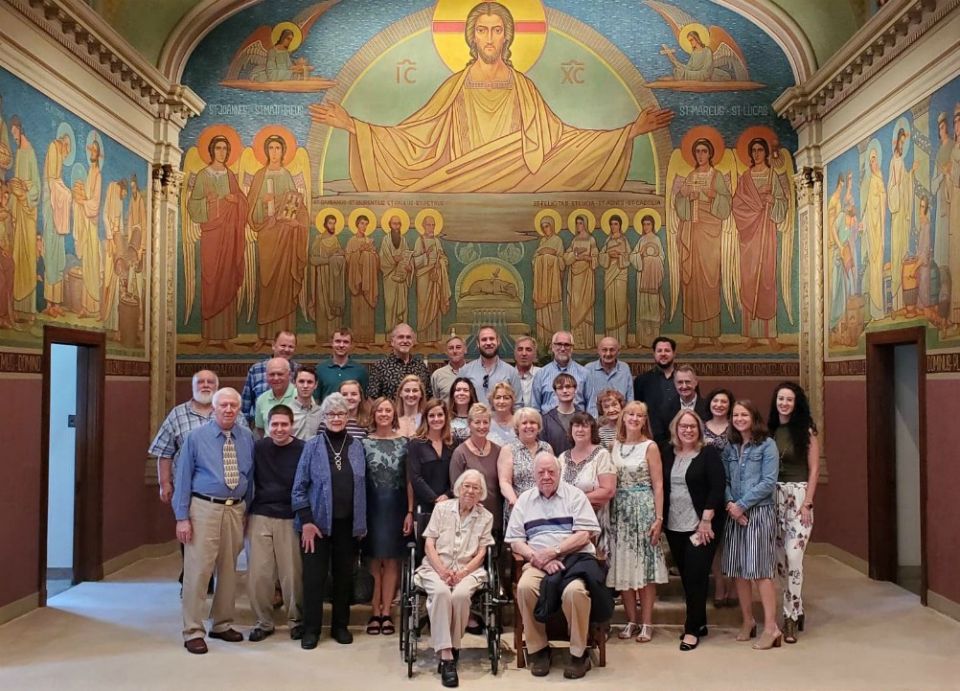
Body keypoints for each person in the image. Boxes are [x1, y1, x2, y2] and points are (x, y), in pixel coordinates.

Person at [308, 1, 673, 194]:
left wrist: (629, 132)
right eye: (481, 30)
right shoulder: (456, 85)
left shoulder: (524, 86)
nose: (488, 38)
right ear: (471, 37)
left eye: (496, 31)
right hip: (457, 177)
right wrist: (352, 126)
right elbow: (416, 135)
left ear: (507, 37)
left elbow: (559, 139)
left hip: (518, 171)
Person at [506, 452, 605, 680]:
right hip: (537, 563)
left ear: (559, 473)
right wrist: (536, 557)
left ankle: (579, 654)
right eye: (541, 472)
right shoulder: (525, 500)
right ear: (534, 475)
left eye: (551, 471)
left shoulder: (575, 496)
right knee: (524, 587)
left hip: (573, 561)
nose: (546, 476)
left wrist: (555, 552)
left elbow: (584, 534)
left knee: (575, 592)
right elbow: (515, 540)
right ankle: (539, 650)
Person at [173, 388, 254, 654]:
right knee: (198, 570)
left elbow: (250, 477)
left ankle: (221, 623)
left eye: (233, 405)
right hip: (203, 508)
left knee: (229, 568)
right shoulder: (196, 438)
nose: (229, 409)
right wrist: (182, 517)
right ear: (214, 408)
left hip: (235, 510)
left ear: (239, 409)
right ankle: (193, 630)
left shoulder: (247, 437)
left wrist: (247, 511)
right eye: (224, 405)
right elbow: (183, 478)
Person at [291, 393, 367, 649]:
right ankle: (311, 629)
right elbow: (299, 488)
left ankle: (340, 626)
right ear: (323, 418)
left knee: (344, 577)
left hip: (348, 526)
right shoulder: (311, 446)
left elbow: (363, 487)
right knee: (314, 579)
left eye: (341, 414)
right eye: (331, 414)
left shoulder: (357, 447)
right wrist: (307, 521)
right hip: (317, 527)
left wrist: (361, 524)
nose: (336, 418)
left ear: (348, 417)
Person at [148, 370, 230, 589]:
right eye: (200, 382)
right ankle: (193, 578)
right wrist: (165, 483)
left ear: (217, 386)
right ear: (193, 387)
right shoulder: (177, 414)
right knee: (189, 534)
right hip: (188, 488)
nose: (205, 385)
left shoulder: (229, 410)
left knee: (219, 540)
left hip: (221, 490)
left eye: (210, 382)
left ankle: (214, 578)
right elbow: (164, 451)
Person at [415, 470, 495, 688]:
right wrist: (442, 570)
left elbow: (481, 552)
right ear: (459, 488)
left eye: (475, 488)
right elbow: (429, 543)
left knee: (460, 595)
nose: (470, 491)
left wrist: (462, 572)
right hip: (435, 567)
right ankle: (448, 655)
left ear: (481, 494)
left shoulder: (486, 517)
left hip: (468, 570)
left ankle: (450, 646)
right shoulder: (441, 509)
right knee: (440, 593)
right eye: (467, 486)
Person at [662, 410, 726, 651]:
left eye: (692, 426)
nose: (687, 430)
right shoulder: (667, 452)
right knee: (688, 577)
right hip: (674, 526)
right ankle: (700, 622)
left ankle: (690, 630)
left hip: (702, 526)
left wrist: (707, 519)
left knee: (697, 576)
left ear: (699, 429)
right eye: (683, 426)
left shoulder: (708, 453)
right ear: (675, 429)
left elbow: (717, 487)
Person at [722, 400, 781, 650]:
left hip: (759, 512)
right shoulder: (730, 446)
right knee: (738, 570)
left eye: (744, 414)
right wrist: (731, 505)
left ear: (753, 417)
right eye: (735, 415)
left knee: (760, 571)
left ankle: (771, 628)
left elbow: (769, 482)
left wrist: (742, 506)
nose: (739, 418)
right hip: (734, 513)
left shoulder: (767, 445)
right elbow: (723, 478)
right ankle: (748, 621)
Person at [607, 400, 668, 643]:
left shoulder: (650, 446)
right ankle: (631, 620)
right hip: (619, 511)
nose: (634, 418)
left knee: (644, 568)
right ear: (623, 417)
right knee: (623, 566)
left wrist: (659, 517)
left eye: (639, 415)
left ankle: (646, 623)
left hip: (643, 509)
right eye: (630, 414)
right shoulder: (614, 445)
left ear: (644, 420)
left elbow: (659, 484)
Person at [246, 405, 305, 642]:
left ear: (292, 425)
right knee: (259, 573)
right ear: (268, 426)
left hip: (290, 516)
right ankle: (263, 621)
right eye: (275, 425)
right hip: (260, 514)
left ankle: (296, 620)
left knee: (292, 574)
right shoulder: (258, 448)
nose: (279, 429)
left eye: (284, 424)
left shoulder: (303, 449)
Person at [768, 382, 820, 643]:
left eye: (789, 399)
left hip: (799, 496)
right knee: (780, 561)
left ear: (796, 402)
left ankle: (789, 617)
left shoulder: (806, 430)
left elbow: (813, 470)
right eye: (780, 399)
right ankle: (798, 609)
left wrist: (808, 502)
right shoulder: (770, 430)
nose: (784, 403)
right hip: (774, 496)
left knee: (794, 555)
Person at [246, 134, 309, 344]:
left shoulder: (287, 175)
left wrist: (296, 223)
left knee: (284, 282)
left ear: (283, 151)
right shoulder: (259, 176)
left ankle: (286, 336)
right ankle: (264, 336)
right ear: (266, 151)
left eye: (278, 148)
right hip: (267, 237)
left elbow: (297, 207)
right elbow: (250, 212)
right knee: (267, 283)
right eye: (271, 148)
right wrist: (264, 204)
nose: (274, 152)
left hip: (286, 239)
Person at [673, 137, 733, 345]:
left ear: (710, 154)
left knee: (710, 280)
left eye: (704, 151)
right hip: (693, 231)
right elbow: (679, 202)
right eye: (697, 151)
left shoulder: (716, 176)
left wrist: (712, 194)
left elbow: (726, 203)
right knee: (693, 282)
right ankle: (695, 335)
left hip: (711, 232)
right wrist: (684, 194)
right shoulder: (691, 176)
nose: (700, 155)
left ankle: (713, 334)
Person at [362, 396, 413, 637]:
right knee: (373, 560)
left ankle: (387, 613)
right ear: (374, 414)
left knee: (392, 560)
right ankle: (374, 611)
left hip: (396, 506)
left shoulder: (405, 443)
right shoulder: (362, 443)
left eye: (388, 410)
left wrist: (410, 511)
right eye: (380, 410)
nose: (384, 414)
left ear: (394, 414)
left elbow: (409, 480)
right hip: (371, 506)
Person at [731, 137, 790, 344]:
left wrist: (773, 201)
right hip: (749, 235)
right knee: (749, 279)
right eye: (753, 150)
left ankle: (769, 335)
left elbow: (783, 203)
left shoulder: (773, 176)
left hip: (767, 232)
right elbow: (736, 203)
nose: (756, 153)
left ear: (766, 152)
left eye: (759, 149)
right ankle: (751, 335)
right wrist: (755, 207)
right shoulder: (745, 177)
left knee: (766, 279)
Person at [557, 412, 616, 557]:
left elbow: (608, 491)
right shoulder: (562, 458)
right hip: (566, 522)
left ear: (592, 430)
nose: (580, 430)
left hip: (594, 523)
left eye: (585, 426)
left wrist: (574, 501)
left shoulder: (602, 455)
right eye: (576, 426)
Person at [703, 388, 736, 607]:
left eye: (724, 401)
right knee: (714, 542)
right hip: (708, 488)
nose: (719, 405)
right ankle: (719, 585)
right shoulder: (701, 428)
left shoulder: (736, 427)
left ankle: (733, 587)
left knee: (732, 540)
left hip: (734, 488)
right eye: (715, 400)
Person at [450, 403, 503, 533]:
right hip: (469, 519)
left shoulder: (498, 450)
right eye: (477, 422)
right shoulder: (460, 453)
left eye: (485, 422)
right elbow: (455, 488)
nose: (482, 426)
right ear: (469, 424)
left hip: (495, 516)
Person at [498, 407, 552, 529]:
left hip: (545, 508)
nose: (529, 426)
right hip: (518, 508)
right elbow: (505, 482)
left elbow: (554, 478)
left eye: (533, 422)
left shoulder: (547, 448)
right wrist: (515, 502)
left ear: (538, 427)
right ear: (517, 427)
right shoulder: (509, 449)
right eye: (524, 423)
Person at [241, 331, 300, 425]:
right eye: (283, 345)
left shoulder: (299, 371)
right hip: (261, 430)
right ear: (273, 345)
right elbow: (245, 407)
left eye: (291, 346)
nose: (287, 349)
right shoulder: (256, 370)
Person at [408, 399, 456, 515]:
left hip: (449, 505)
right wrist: (435, 499)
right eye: (431, 416)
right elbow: (415, 477)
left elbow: (457, 474)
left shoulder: (453, 443)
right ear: (426, 419)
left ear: (446, 417)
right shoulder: (416, 443)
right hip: (424, 507)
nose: (436, 419)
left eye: (440, 415)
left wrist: (447, 495)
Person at [633, 336, 680, 446]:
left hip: (680, 436)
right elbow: (638, 410)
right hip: (652, 439)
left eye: (667, 350)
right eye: (659, 351)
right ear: (654, 354)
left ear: (674, 353)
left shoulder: (684, 380)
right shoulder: (642, 380)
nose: (663, 354)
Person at [459, 325, 523, 407]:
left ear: (498, 341)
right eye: (484, 339)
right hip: (474, 419)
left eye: (492, 339)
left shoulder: (511, 372)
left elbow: (517, 405)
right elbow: (458, 403)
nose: (488, 343)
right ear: (478, 343)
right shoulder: (465, 371)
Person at [367, 323, 432, 400]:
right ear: (392, 342)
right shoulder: (380, 367)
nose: (405, 341)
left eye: (408, 337)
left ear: (413, 341)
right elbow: (372, 399)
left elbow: (428, 396)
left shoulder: (421, 366)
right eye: (401, 337)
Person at [310, 214, 345, 344]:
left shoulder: (335, 240)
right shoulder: (318, 239)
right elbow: (313, 259)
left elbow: (339, 256)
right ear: (325, 224)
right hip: (322, 279)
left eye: (334, 223)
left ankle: (334, 337)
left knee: (334, 305)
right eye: (330, 223)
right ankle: (323, 337)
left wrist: (340, 256)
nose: (333, 226)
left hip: (334, 280)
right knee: (322, 306)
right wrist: (328, 260)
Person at [531, 331, 588, 412]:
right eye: (559, 344)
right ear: (553, 347)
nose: (562, 348)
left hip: (577, 422)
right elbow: (535, 408)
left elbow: (591, 406)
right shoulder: (541, 374)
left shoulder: (585, 374)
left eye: (566, 345)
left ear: (572, 348)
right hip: (548, 423)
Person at [565, 214, 599, 349]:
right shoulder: (574, 241)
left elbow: (596, 258)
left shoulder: (591, 239)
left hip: (586, 276)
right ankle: (577, 342)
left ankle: (587, 342)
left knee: (586, 303)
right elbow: (567, 258)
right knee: (575, 304)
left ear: (585, 224)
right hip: (575, 277)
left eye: (580, 223)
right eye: (577, 223)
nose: (578, 225)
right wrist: (576, 255)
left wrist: (588, 258)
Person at [583, 336, 634, 417]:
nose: (608, 353)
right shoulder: (588, 369)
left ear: (618, 352)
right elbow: (584, 399)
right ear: (598, 351)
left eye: (612, 350)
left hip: (619, 420)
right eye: (604, 350)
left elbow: (630, 398)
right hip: (595, 420)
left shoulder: (625, 368)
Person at [599, 214, 630, 344]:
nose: (613, 226)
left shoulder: (624, 240)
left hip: (620, 275)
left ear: (620, 225)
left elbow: (629, 257)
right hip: (609, 275)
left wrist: (620, 256)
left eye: (616, 224)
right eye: (611, 224)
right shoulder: (607, 241)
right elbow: (601, 257)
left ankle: (622, 340)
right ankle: (610, 339)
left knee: (621, 305)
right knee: (610, 306)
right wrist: (608, 255)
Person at [315, 328, 368, 401]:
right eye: (338, 341)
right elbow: (316, 399)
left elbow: (364, 399)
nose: (341, 345)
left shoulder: (361, 370)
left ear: (351, 345)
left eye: (345, 342)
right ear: (331, 343)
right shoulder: (320, 369)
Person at [539, 372, 580, 456]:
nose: (565, 391)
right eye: (560, 388)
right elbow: (543, 449)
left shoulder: (584, 418)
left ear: (575, 390)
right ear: (555, 392)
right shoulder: (546, 420)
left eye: (568, 387)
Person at [254, 357, 297, 435]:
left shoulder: (300, 396)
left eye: (280, 374)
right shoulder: (261, 399)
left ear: (289, 375)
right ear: (266, 376)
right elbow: (260, 429)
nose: (276, 378)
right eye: (272, 374)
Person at [431, 335, 469, 403]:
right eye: (451, 348)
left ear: (465, 350)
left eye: (458, 347)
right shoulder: (438, 375)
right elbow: (435, 403)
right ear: (446, 351)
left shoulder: (474, 372)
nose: (454, 351)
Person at [289, 369, 322, 441]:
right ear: (294, 383)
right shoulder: (287, 412)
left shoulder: (321, 412)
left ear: (315, 385)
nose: (305, 386)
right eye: (301, 381)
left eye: (309, 382)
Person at [487, 381, 518, 447]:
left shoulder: (519, 422)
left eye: (506, 398)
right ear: (492, 401)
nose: (501, 401)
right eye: (498, 397)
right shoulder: (486, 423)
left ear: (512, 401)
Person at [395, 373, 427, 438]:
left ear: (421, 394)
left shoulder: (427, 421)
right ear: (400, 393)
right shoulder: (393, 421)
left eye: (415, 390)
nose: (411, 395)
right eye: (407, 390)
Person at [448, 377, 478, 442]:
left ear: (471, 394)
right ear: (453, 394)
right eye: (458, 390)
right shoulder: (445, 418)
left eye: (466, 390)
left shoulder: (479, 417)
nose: (461, 393)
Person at [513, 335, 540, 408]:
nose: (524, 353)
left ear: (535, 355)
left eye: (528, 349)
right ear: (514, 354)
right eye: (520, 349)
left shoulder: (543, 375)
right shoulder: (507, 375)